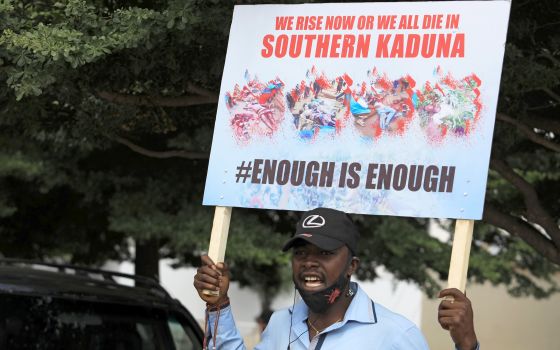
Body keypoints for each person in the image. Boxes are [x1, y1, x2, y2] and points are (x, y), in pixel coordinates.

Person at [193, 207, 479, 349]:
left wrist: (466, 344)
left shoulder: (395, 336)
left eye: (325, 253)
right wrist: (218, 305)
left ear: (351, 265)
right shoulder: (281, 324)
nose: (309, 263)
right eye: (301, 253)